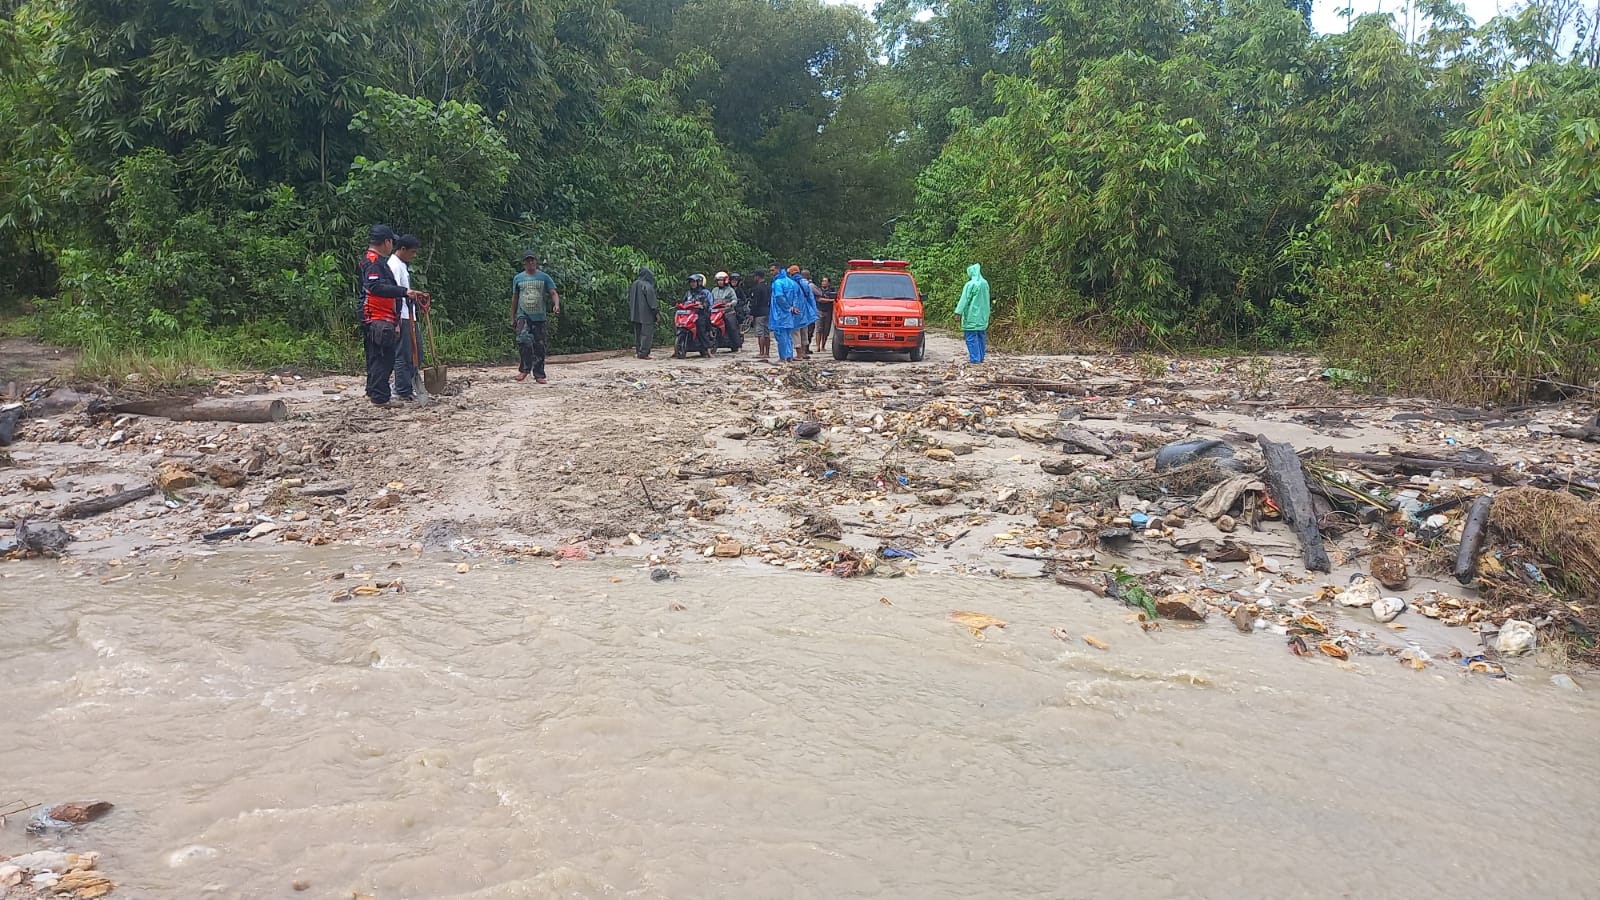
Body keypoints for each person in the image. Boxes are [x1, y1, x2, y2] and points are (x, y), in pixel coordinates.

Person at [358, 224, 421, 406]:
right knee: (383, 357)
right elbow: (375, 287)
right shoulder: (374, 263)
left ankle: (373, 391)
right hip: (378, 317)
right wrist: (403, 292)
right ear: (386, 242)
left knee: (375, 355)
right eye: (391, 242)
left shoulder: (372, 261)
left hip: (376, 316)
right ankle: (380, 396)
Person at [511, 252, 560, 383]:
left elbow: (553, 292)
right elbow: (515, 298)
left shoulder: (544, 277)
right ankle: (524, 369)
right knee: (522, 340)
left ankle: (539, 374)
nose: (530, 263)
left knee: (539, 345)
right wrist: (513, 316)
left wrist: (556, 304)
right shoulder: (518, 278)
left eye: (532, 260)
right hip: (523, 315)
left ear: (536, 262)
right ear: (524, 263)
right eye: (528, 261)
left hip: (539, 316)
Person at [388, 234, 425, 401]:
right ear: (402, 249)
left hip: (409, 314)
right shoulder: (393, 266)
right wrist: (395, 319)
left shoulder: (402, 265)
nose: (414, 256)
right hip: (401, 315)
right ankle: (402, 388)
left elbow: (403, 290)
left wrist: (414, 294)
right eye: (412, 252)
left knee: (416, 352)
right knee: (404, 353)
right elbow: (393, 292)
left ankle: (407, 384)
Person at [955, 263, 991, 364]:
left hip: (972, 316)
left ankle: (975, 359)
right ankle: (981, 357)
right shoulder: (985, 283)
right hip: (983, 315)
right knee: (981, 337)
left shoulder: (970, 284)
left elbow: (964, 299)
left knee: (971, 337)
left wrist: (958, 312)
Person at [768, 266, 804, 362]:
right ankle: (789, 356)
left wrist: (788, 307)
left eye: (772, 270)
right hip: (790, 314)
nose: (771, 272)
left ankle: (783, 357)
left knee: (781, 336)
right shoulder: (791, 282)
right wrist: (793, 307)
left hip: (780, 314)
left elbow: (779, 296)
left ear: (778, 270)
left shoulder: (778, 283)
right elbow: (797, 296)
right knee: (788, 336)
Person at [676, 273, 714, 359]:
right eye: (691, 282)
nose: (692, 284)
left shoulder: (703, 293)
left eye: (694, 282)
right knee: (679, 325)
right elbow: (683, 302)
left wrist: (701, 305)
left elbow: (706, 304)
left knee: (700, 327)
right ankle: (677, 349)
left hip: (698, 314)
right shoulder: (688, 293)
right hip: (688, 314)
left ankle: (708, 350)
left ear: (698, 282)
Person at [628, 266, 658, 359]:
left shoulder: (634, 284)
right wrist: (656, 313)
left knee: (638, 333)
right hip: (646, 314)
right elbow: (652, 302)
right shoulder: (647, 286)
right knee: (646, 333)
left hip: (635, 313)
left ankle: (638, 351)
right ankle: (644, 353)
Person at [788, 265, 817, 359]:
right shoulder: (804, 282)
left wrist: (792, 306)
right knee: (804, 330)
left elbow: (791, 296)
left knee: (795, 331)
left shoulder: (792, 283)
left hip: (796, 308)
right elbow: (810, 296)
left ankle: (799, 354)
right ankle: (804, 352)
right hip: (805, 308)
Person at [710, 271, 741, 352]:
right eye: (718, 280)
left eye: (721, 280)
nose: (720, 282)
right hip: (715, 312)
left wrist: (730, 304)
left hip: (727, 312)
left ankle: (738, 345)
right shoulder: (714, 290)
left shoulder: (730, 290)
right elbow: (710, 300)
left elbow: (735, 300)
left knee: (732, 327)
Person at [812, 274, 837, 353]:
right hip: (819, 310)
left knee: (826, 330)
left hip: (829, 312)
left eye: (825, 281)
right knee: (819, 329)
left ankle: (823, 346)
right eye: (823, 281)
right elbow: (819, 300)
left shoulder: (832, 291)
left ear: (829, 283)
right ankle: (817, 346)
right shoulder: (818, 290)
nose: (823, 283)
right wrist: (831, 300)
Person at [751, 271, 772, 358]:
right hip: (768, 311)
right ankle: (767, 353)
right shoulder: (768, 287)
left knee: (760, 333)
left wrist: (752, 313)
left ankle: (761, 352)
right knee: (767, 333)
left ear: (757, 277)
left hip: (759, 312)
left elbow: (755, 302)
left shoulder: (757, 288)